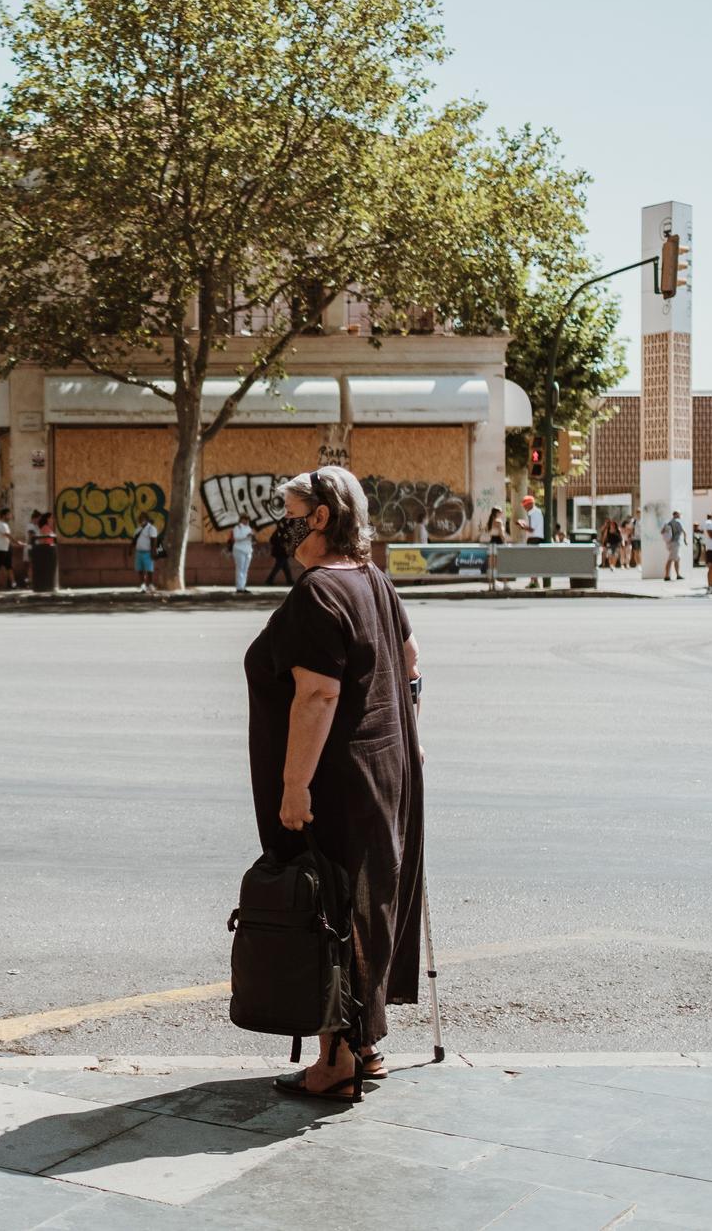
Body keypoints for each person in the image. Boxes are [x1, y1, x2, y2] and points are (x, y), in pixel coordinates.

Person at [245, 466, 423, 1101]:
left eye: (291, 511)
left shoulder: (320, 591)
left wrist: (295, 786)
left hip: (336, 782)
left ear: (321, 518)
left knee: (332, 910)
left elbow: (317, 695)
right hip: (384, 770)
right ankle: (363, 1046)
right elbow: (409, 665)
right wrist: (406, 737)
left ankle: (335, 1063)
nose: (282, 525)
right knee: (363, 903)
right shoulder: (372, 580)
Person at [264, 514, 297, 586]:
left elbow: (273, 540)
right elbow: (272, 540)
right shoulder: (280, 532)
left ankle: (289, 580)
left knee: (285, 567)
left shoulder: (283, 532)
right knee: (278, 566)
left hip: (282, 551)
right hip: (280, 552)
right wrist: (282, 545)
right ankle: (269, 580)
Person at [131, 512, 160, 593]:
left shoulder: (152, 529)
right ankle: (142, 585)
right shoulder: (138, 530)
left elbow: (154, 541)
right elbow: (134, 540)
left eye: (143, 519)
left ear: (147, 519)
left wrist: (153, 552)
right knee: (140, 569)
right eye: (140, 519)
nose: (142, 520)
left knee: (149, 569)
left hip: (148, 552)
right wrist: (130, 549)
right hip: (139, 552)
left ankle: (150, 584)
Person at [0, 512, 15, 590]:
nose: (10, 516)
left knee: (9, 567)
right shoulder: (2, 525)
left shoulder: (1, 524)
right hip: (1, 549)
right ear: (4, 515)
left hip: (5, 548)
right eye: (8, 515)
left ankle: (13, 584)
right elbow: (7, 535)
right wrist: (16, 542)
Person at [660, 510, 686, 581]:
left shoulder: (668, 522)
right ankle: (667, 575)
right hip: (675, 543)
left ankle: (678, 574)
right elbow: (683, 532)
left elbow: (662, 531)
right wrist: (685, 541)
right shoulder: (678, 522)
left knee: (676, 559)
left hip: (669, 543)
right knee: (671, 559)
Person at [230, 523, 255, 595]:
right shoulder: (237, 527)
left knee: (245, 570)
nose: (246, 521)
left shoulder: (249, 527)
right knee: (240, 569)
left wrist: (252, 537)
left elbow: (250, 539)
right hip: (239, 549)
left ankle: (243, 587)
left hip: (248, 550)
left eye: (247, 519)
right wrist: (246, 536)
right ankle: (239, 587)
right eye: (244, 519)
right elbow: (236, 537)